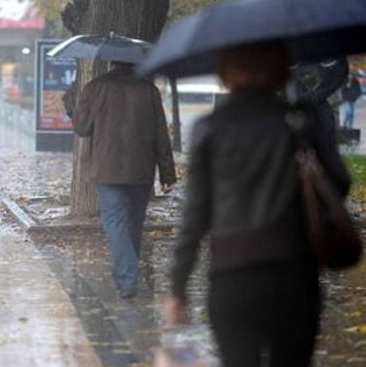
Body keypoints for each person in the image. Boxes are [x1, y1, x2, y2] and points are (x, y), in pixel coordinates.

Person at [164, 42, 351, 366]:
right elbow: (339, 183)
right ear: (282, 69)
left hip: (232, 277)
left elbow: (195, 215)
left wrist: (178, 287)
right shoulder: (302, 120)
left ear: (226, 72)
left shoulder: (211, 128)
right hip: (294, 275)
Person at [73, 61, 176, 299]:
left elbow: (82, 128)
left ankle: (128, 278)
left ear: (111, 63)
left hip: (107, 169)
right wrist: (167, 173)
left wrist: (72, 103)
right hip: (141, 169)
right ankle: (127, 276)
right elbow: (162, 134)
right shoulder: (148, 90)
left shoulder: (95, 88)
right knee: (133, 225)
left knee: (115, 222)